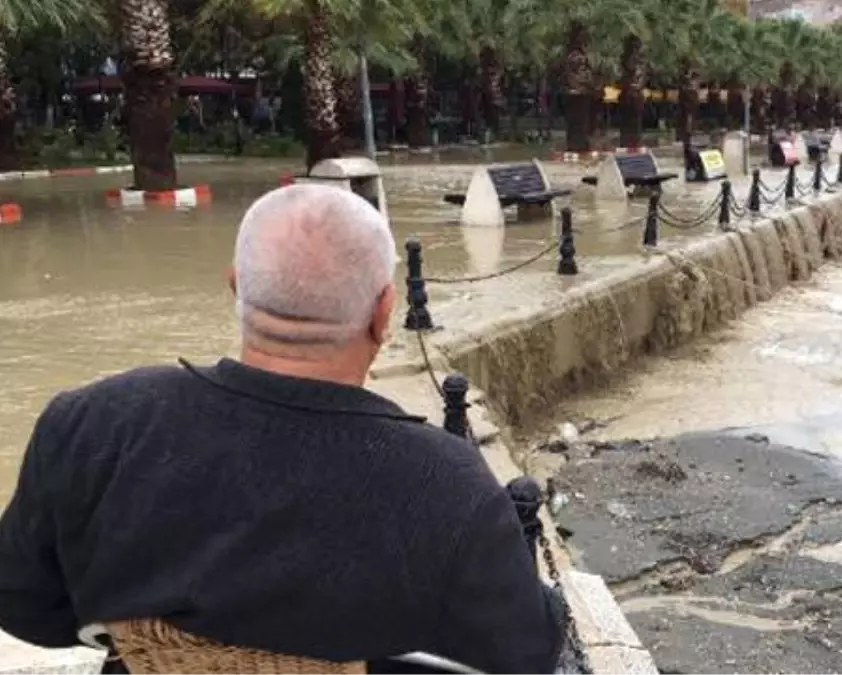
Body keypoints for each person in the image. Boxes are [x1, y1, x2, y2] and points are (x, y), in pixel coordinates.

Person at [0, 185, 564, 674]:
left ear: (234, 286)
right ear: (383, 313)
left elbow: (26, 608)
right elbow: (525, 654)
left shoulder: (90, 427)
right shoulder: (445, 484)